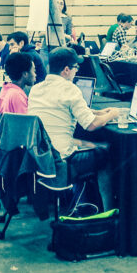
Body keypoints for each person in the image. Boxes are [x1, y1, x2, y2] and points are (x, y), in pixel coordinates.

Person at [27, 47, 125, 207]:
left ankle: (84, 201)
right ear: (66, 70)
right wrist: (112, 114)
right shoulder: (70, 89)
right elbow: (91, 125)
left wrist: (97, 112)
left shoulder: (36, 89)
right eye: (75, 67)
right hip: (62, 162)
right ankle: (108, 208)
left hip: (40, 158)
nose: (76, 71)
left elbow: (59, 108)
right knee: (105, 154)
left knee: (92, 145)